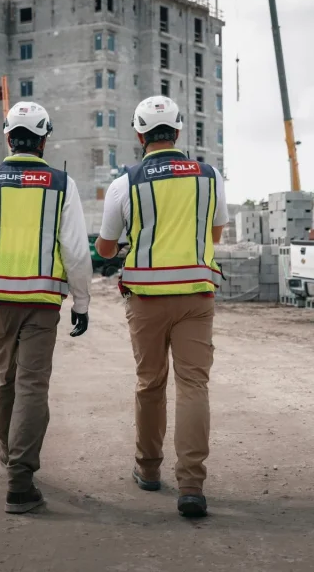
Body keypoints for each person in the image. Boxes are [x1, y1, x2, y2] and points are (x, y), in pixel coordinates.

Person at [0, 100, 92, 514]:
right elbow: (77, 252)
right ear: (44, 140)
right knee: (31, 386)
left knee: (5, 379)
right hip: (43, 303)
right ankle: (20, 479)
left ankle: (10, 453)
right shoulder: (62, 184)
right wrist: (82, 302)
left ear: (8, 137)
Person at [95, 95, 228, 518]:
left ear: (138, 134)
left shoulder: (125, 182)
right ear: (178, 130)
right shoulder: (209, 177)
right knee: (193, 386)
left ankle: (148, 470)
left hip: (146, 299)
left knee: (149, 383)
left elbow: (106, 245)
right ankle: (191, 484)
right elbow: (217, 235)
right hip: (195, 296)